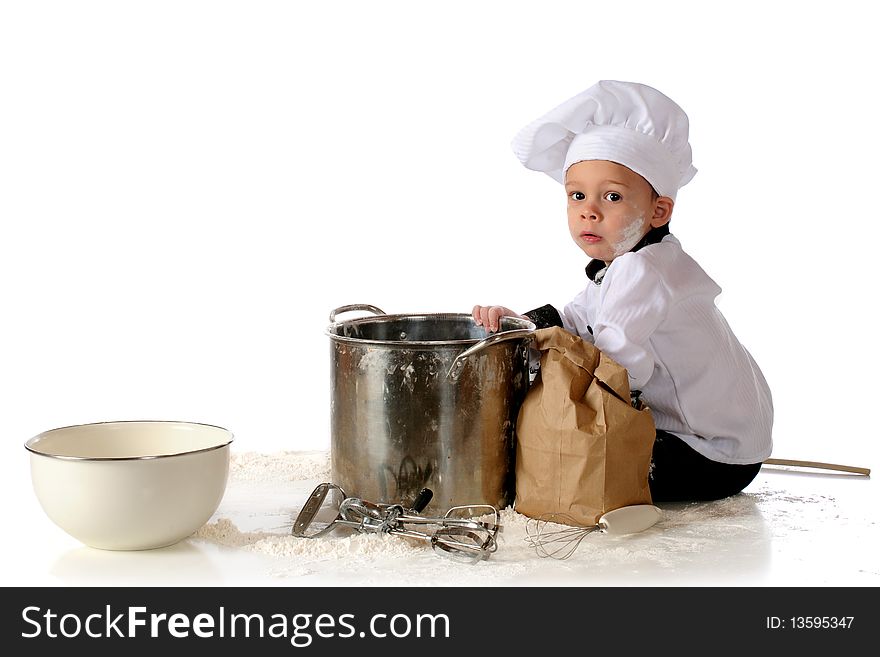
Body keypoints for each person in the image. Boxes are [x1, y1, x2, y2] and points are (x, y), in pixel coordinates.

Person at [473, 80, 773, 502]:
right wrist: (520, 324)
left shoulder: (643, 271)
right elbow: (578, 318)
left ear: (658, 210)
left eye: (611, 196)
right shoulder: (636, 261)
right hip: (733, 446)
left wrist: (541, 373)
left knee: (559, 457)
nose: (589, 210)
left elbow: (621, 372)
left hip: (710, 455)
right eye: (577, 195)